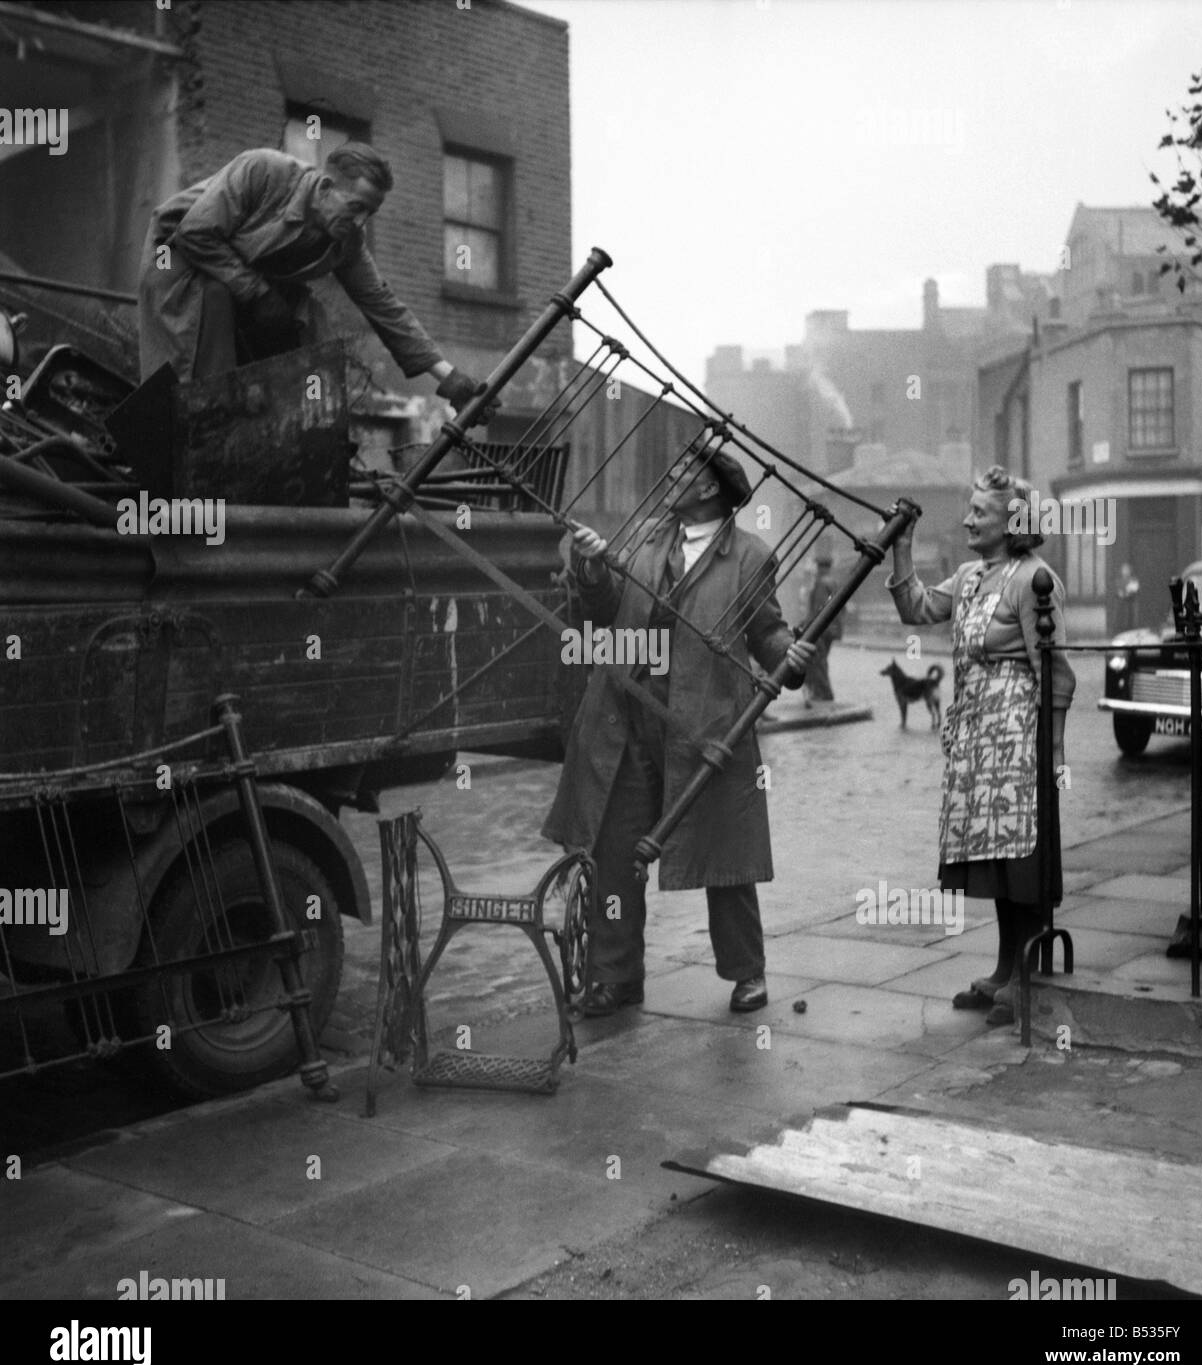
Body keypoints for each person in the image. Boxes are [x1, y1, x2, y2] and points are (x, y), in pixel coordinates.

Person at [542, 441, 816, 1016]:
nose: (671, 480)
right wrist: (592, 567)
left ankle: (747, 973)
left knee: (725, 854)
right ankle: (616, 977)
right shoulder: (644, 538)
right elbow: (600, 611)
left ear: (710, 487)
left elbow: (765, 633)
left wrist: (790, 657)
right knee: (616, 852)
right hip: (627, 716)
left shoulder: (749, 556)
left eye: (683, 472)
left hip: (707, 723)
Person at [887, 466, 1076, 1027]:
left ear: (1010, 523)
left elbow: (1057, 673)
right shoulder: (970, 576)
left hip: (1019, 735)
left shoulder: (1033, 580)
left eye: (980, 512)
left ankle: (1027, 979)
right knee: (993, 859)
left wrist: (1055, 750)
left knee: (1023, 859)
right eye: (969, 509)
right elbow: (916, 609)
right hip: (975, 735)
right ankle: (1002, 970)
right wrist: (903, 548)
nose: (968, 518)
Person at [138, 143, 478, 408]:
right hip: (177, 258)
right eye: (356, 207)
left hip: (239, 276)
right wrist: (258, 293)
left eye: (369, 214)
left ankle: (306, 427)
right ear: (327, 186)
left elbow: (383, 304)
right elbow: (195, 232)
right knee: (215, 300)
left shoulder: (347, 242)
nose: (360, 223)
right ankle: (212, 417)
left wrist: (448, 376)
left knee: (310, 320)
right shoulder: (264, 171)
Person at [800, 551, 842, 705]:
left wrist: (806, 625)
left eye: (817, 566)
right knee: (821, 660)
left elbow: (819, 609)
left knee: (818, 661)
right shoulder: (833, 582)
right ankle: (821, 691)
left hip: (821, 629)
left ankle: (824, 693)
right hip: (832, 629)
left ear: (820, 567)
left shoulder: (821, 584)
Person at [1112, 562, 1141, 633]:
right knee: (1120, 621)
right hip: (1121, 605)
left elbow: (1134, 590)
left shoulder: (1134, 580)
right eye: (1124, 570)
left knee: (1130, 621)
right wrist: (1123, 593)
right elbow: (1118, 592)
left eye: (1127, 570)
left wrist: (1126, 593)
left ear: (1130, 571)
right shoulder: (1118, 581)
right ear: (1121, 571)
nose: (1126, 571)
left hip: (1130, 604)